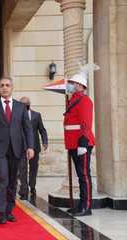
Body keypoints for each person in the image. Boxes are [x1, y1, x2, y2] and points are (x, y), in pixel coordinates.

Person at [0, 77, 34, 225]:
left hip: (16, 149)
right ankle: (1, 212)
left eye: (7, 85)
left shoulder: (20, 107)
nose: (5, 88)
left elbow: (28, 129)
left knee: (12, 181)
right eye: (2, 85)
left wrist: (30, 147)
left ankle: (9, 210)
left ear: (12, 88)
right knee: (2, 179)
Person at [64, 65, 96, 216]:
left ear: (79, 85)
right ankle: (81, 203)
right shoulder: (74, 100)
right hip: (73, 143)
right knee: (80, 175)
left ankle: (86, 206)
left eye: (72, 83)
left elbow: (86, 123)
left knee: (84, 175)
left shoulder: (84, 100)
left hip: (81, 142)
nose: (70, 85)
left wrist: (83, 142)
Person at [18, 96, 48, 201]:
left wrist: (45, 141)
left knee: (33, 169)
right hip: (21, 147)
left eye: (26, 104)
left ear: (29, 104)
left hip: (34, 147)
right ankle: (24, 189)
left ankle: (32, 187)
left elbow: (42, 130)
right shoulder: (16, 116)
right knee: (22, 169)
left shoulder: (36, 115)